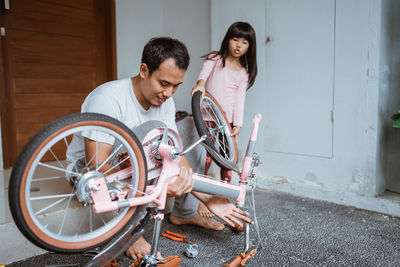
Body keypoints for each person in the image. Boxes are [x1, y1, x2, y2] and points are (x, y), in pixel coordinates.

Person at [66, 37, 251, 260]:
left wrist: (207, 197)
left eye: (176, 86)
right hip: (91, 172)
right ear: (144, 70)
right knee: (152, 130)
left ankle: (184, 212)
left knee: (195, 131)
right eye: (164, 84)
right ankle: (126, 231)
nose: (169, 93)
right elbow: (100, 169)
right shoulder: (107, 99)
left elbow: (177, 156)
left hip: (138, 164)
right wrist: (157, 189)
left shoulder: (166, 102)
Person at [191, 22, 257, 217]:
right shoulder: (215, 58)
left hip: (225, 121)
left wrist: (238, 123)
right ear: (228, 39)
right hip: (206, 117)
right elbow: (202, 77)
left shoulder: (243, 73)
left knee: (227, 160)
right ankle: (201, 199)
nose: (238, 45)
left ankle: (223, 197)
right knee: (205, 158)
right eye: (235, 39)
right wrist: (200, 84)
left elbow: (239, 99)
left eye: (244, 42)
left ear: (249, 47)